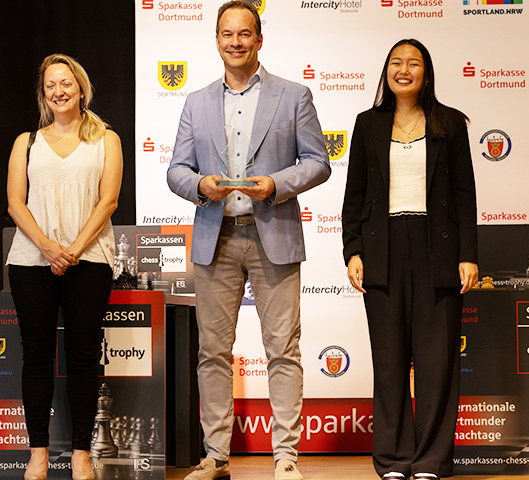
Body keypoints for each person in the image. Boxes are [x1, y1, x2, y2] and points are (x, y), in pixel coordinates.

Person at [167, 2, 330, 479]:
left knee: (283, 348)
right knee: (212, 352)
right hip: (214, 240)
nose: (235, 42)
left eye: (244, 34)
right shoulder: (195, 101)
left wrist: (276, 184)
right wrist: (200, 186)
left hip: (272, 235)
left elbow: (318, 161)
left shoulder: (293, 95)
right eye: (226, 34)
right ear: (216, 41)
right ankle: (216, 456)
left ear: (259, 40)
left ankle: (285, 458)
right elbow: (176, 170)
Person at [341, 39, 478, 480]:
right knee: (390, 357)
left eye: (413, 63)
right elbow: (354, 196)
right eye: (396, 63)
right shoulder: (367, 124)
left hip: (437, 247)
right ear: (386, 72)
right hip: (382, 249)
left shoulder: (450, 123)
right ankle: (394, 460)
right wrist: (353, 249)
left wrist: (468, 255)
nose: (404, 70)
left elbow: (465, 196)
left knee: (438, 359)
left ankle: (431, 460)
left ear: (426, 72)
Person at [5, 53, 123, 480]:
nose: (59, 91)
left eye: (66, 83)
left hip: (89, 260)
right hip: (31, 262)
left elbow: (108, 201)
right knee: (36, 356)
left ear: (81, 88)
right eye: (51, 85)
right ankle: (37, 453)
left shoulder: (106, 139)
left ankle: (80, 455)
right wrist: (48, 248)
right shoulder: (27, 142)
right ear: (44, 94)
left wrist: (72, 248)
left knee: (83, 356)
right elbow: (15, 203)